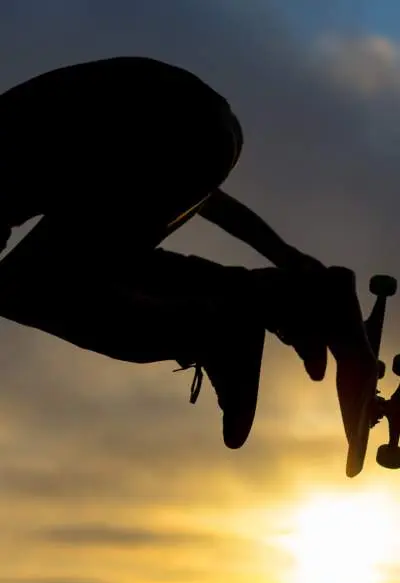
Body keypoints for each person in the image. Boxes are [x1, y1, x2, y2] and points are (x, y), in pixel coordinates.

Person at [0, 56, 377, 450]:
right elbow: (202, 190)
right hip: (198, 120)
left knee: (23, 289)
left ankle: (214, 332)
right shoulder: (30, 143)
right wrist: (286, 257)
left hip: (155, 123)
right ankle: (296, 296)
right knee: (93, 267)